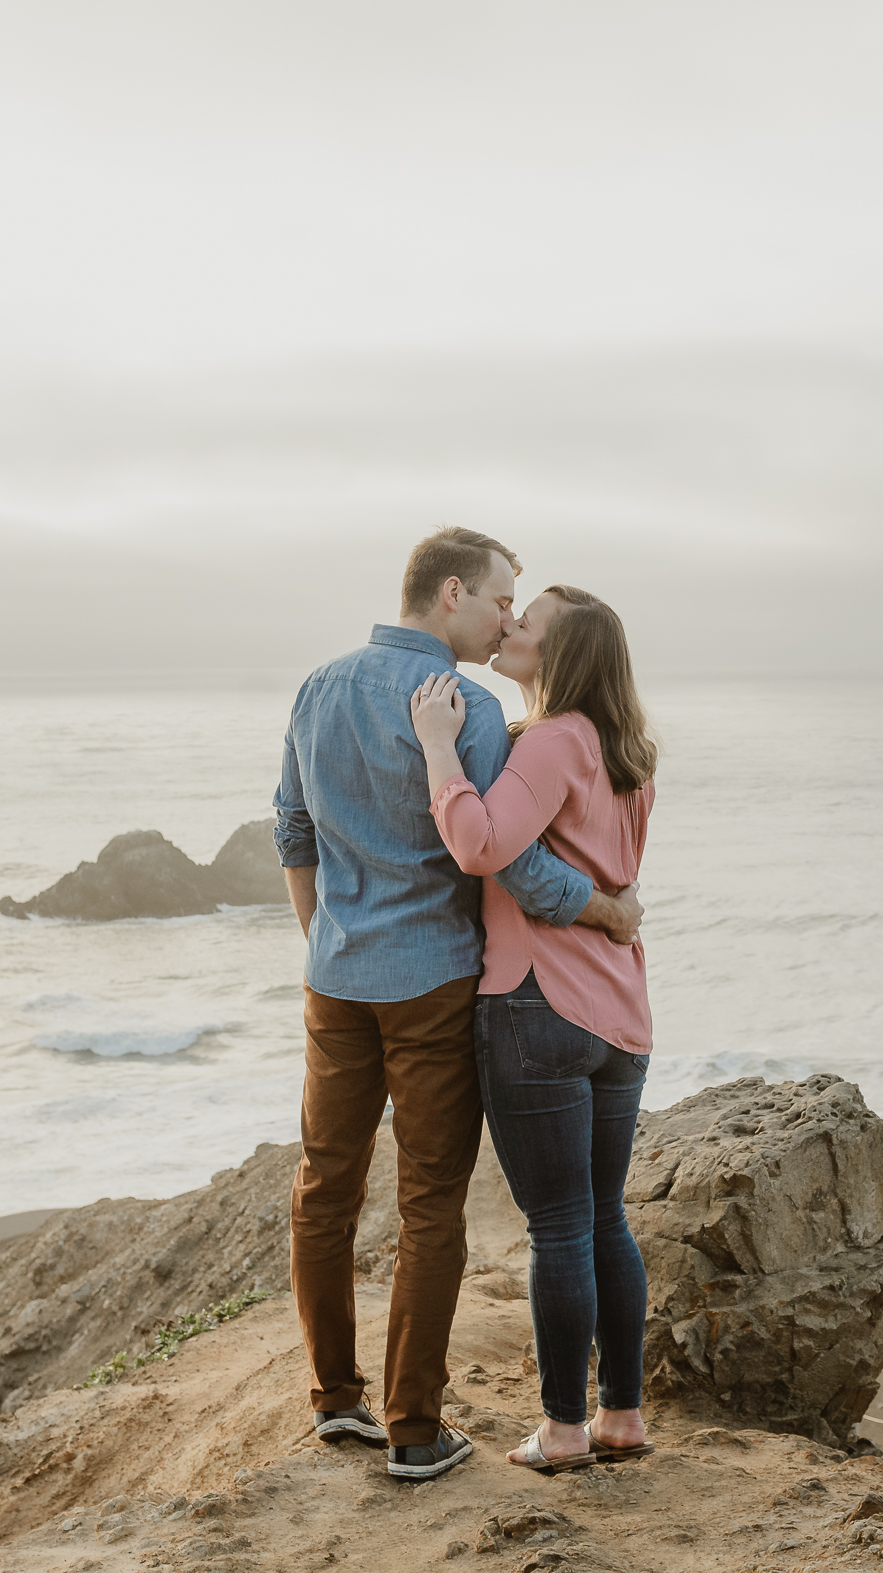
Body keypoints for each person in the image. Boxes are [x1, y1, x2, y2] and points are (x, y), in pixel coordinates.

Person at [274, 527, 645, 1482]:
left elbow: (294, 827)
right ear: (451, 594)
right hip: (436, 981)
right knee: (430, 1199)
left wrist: (323, 936)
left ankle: (335, 1402)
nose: (506, 618)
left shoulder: (317, 688)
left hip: (337, 978)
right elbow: (510, 860)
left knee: (325, 1186)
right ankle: (412, 1430)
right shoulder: (469, 709)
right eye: (499, 599)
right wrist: (602, 909)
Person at [406, 582, 657, 1475]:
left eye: (530, 622)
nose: (510, 626)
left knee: (559, 1227)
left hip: (536, 1001)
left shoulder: (551, 742)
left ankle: (562, 1430)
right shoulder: (627, 756)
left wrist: (441, 750)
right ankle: (621, 1414)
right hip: (619, 1014)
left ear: (565, 655)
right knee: (602, 1217)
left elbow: (481, 844)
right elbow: (605, 877)